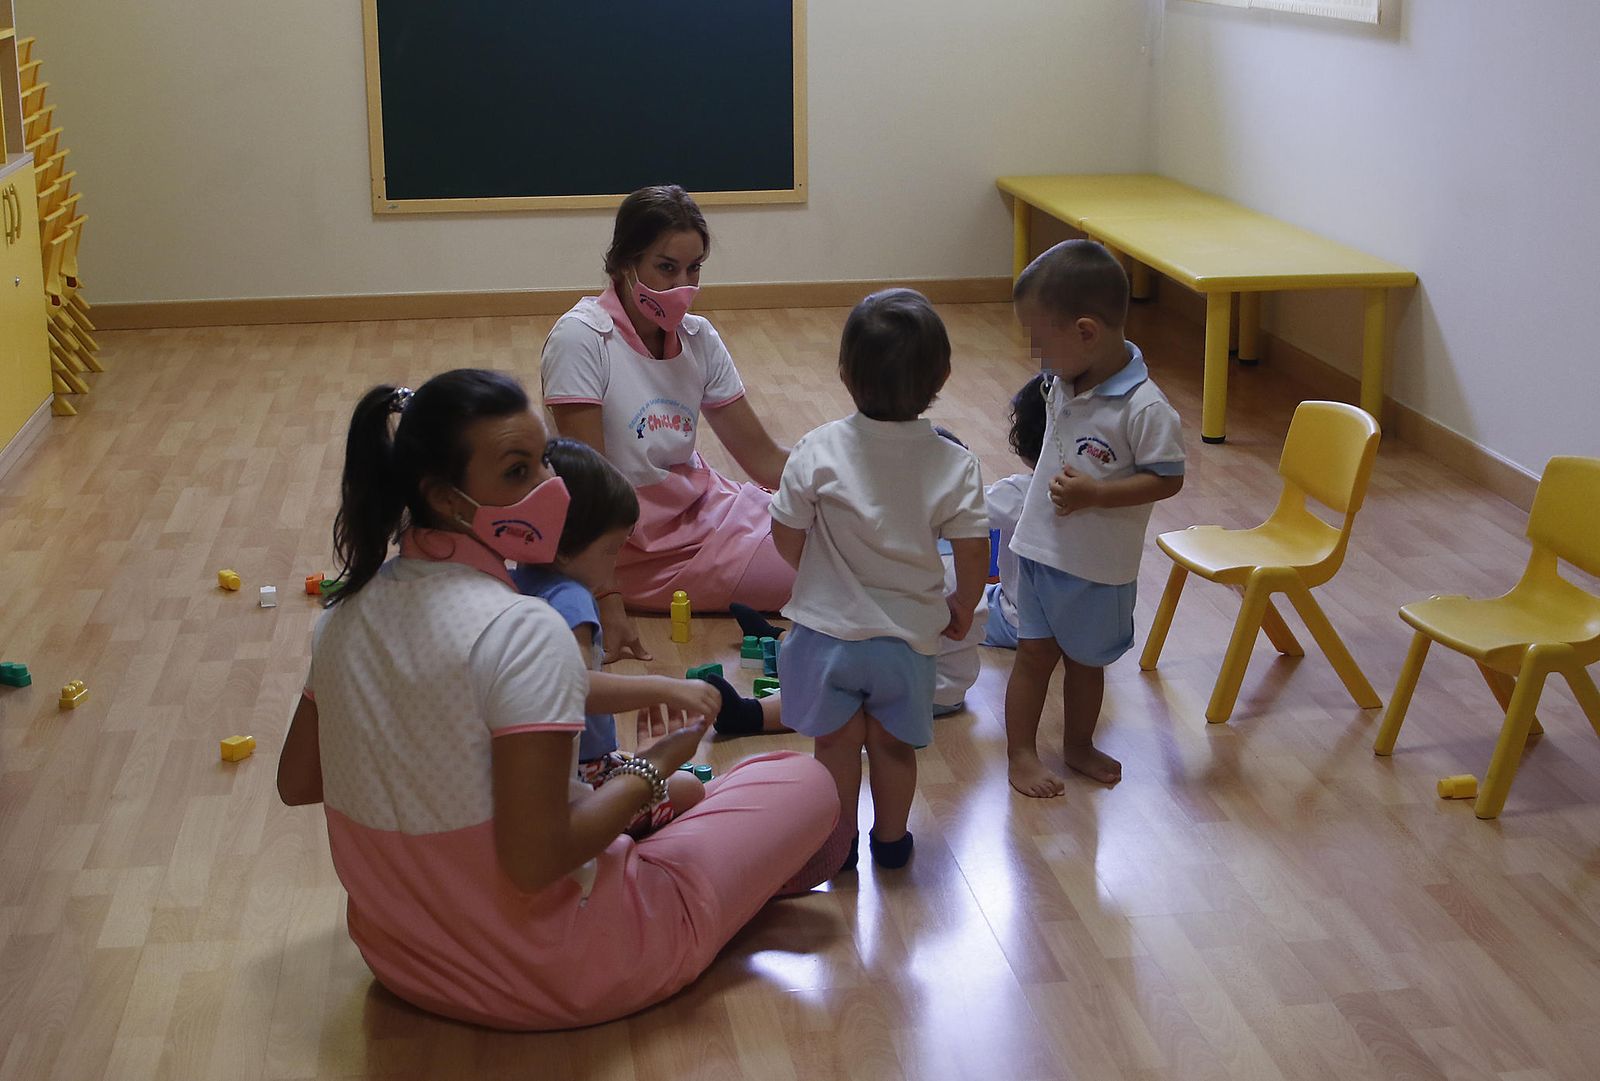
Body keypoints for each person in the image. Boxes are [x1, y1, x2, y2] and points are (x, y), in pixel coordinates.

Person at [275, 368, 838, 1031]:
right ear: (445, 498)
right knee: (805, 779)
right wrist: (651, 763)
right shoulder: (523, 628)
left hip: (403, 963)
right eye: (519, 472)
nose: (552, 487)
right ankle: (724, 883)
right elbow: (539, 856)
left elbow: (299, 780)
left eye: (544, 460)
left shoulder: (341, 618)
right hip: (560, 973)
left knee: (699, 808)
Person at [770, 290, 989, 879]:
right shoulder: (953, 462)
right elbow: (973, 548)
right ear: (941, 377)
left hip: (826, 635)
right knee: (893, 747)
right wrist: (962, 603)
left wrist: (812, 575)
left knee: (835, 749)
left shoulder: (817, 448)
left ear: (844, 372)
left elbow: (785, 531)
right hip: (908, 640)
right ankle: (891, 844)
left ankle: (838, 850)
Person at [540, 184, 795, 662]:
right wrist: (606, 600)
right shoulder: (581, 338)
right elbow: (588, 491)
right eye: (666, 267)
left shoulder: (698, 338)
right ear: (623, 263)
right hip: (638, 549)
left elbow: (764, 460)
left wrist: (852, 480)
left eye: (694, 268)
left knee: (848, 534)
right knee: (840, 571)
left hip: (712, 510)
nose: (682, 285)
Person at [1003, 241, 1186, 799]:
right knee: (1033, 657)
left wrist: (1098, 495)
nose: (1039, 358)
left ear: (1086, 332)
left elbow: (1168, 478)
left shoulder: (1146, 408)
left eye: (1043, 342)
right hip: (1039, 551)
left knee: (1087, 664)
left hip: (1099, 568)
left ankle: (1078, 745)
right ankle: (1020, 755)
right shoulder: (1065, 379)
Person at [509, 437, 721, 835]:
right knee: (689, 787)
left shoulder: (512, 580)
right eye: (610, 550)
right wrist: (662, 688)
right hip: (576, 778)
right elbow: (573, 686)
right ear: (564, 548)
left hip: (531, 769)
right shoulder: (571, 598)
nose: (616, 563)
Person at [982, 374, 1046, 650]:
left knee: (945, 602)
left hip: (1020, 623)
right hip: (1081, 626)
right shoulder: (1105, 491)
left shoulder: (1019, 493)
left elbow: (962, 506)